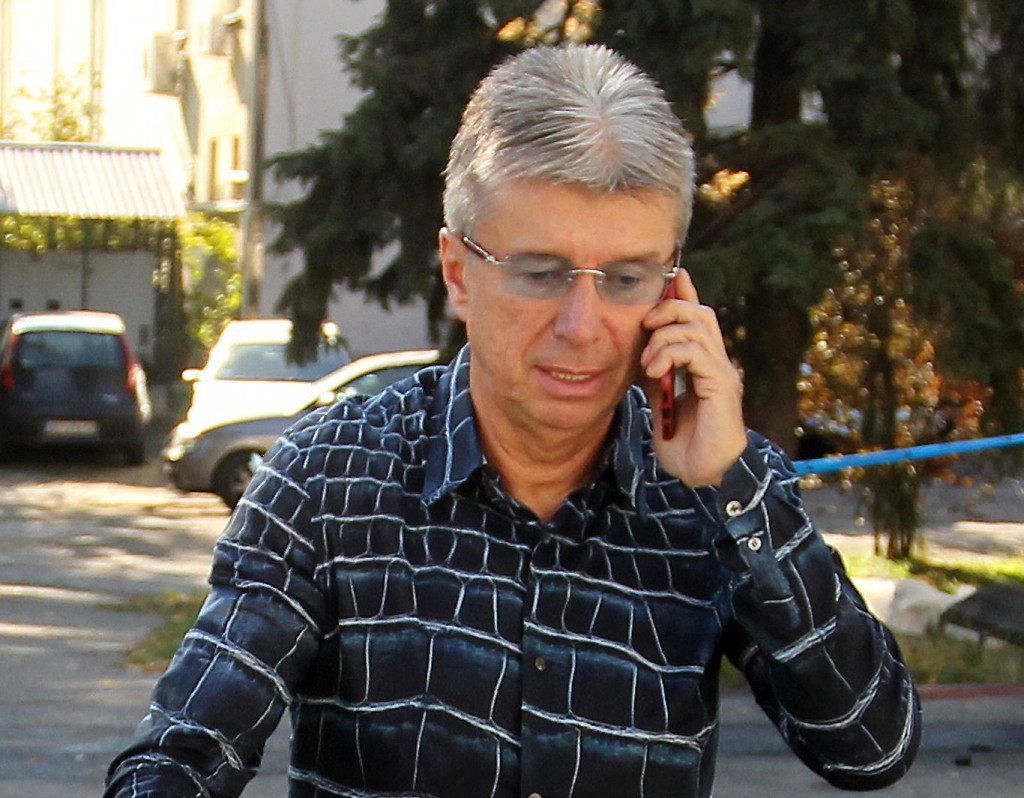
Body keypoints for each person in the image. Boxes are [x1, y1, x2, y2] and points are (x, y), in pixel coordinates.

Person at [106, 44, 920, 797]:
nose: (583, 325)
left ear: (674, 290)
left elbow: (870, 746)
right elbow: (182, 753)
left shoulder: (720, 490)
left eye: (626, 279)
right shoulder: (332, 479)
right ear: (458, 272)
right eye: (540, 273)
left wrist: (734, 492)